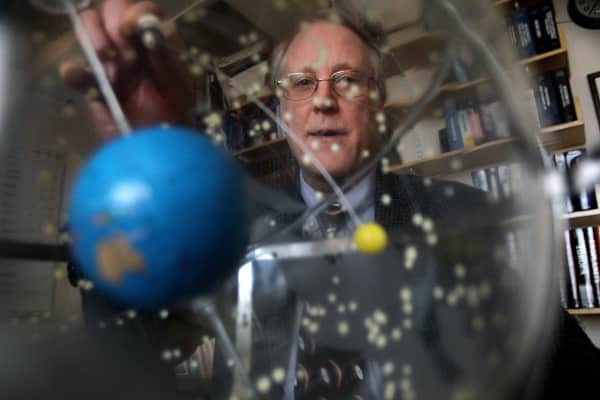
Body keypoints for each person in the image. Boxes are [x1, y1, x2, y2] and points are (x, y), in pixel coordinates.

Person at [60, 1, 600, 399]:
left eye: (346, 80)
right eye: (301, 83)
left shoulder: (461, 217)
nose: (322, 98)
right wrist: (139, 160)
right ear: (281, 110)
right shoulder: (226, 225)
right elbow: (124, 351)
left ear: (378, 102)